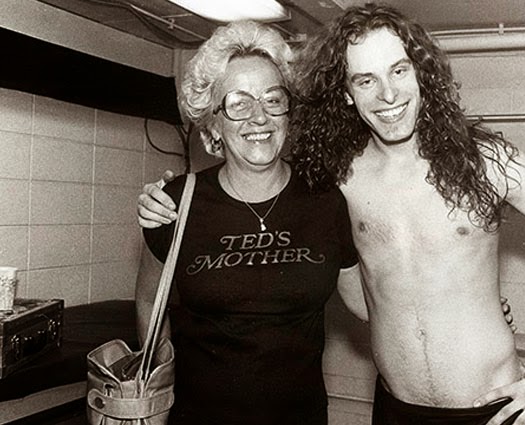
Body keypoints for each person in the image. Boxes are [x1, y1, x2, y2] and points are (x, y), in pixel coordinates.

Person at [138, 4, 525, 425]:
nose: (387, 95)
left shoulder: (488, 160)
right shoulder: (340, 177)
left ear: (421, 74)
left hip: (494, 408)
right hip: (394, 409)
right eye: (365, 80)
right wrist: (168, 196)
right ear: (347, 93)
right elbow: (264, 182)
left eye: (399, 71)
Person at [134, 20, 362, 425]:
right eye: (239, 103)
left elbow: (368, 301)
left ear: (288, 112)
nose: (259, 117)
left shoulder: (325, 201)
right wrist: (159, 385)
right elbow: (151, 300)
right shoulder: (175, 202)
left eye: (273, 99)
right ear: (214, 124)